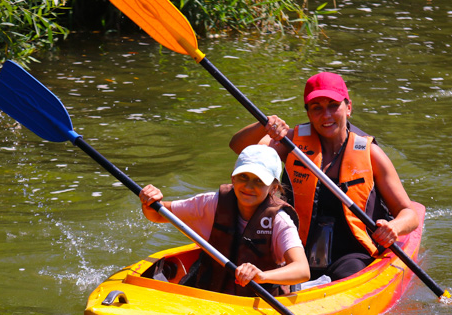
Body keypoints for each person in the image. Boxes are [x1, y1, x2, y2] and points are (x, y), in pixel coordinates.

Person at [229, 71, 419, 281]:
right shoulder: (291, 143)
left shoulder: (370, 153)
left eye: (333, 105)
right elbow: (240, 148)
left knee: (348, 273)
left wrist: (394, 227)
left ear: (348, 107)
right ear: (308, 113)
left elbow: (408, 213)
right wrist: (263, 125)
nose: (326, 115)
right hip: (295, 250)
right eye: (316, 108)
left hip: (352, 253)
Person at [139, 145, 310, 296]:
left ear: (273, 188)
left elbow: (302, 270)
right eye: (243, 177)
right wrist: (150, 202)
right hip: (212, 295)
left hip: (256, 302)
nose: (249, 187)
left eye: (258, 181)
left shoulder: (279, 221)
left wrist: (262, 276)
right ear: (232, 178)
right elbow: (157, 214)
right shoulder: (212, 203)